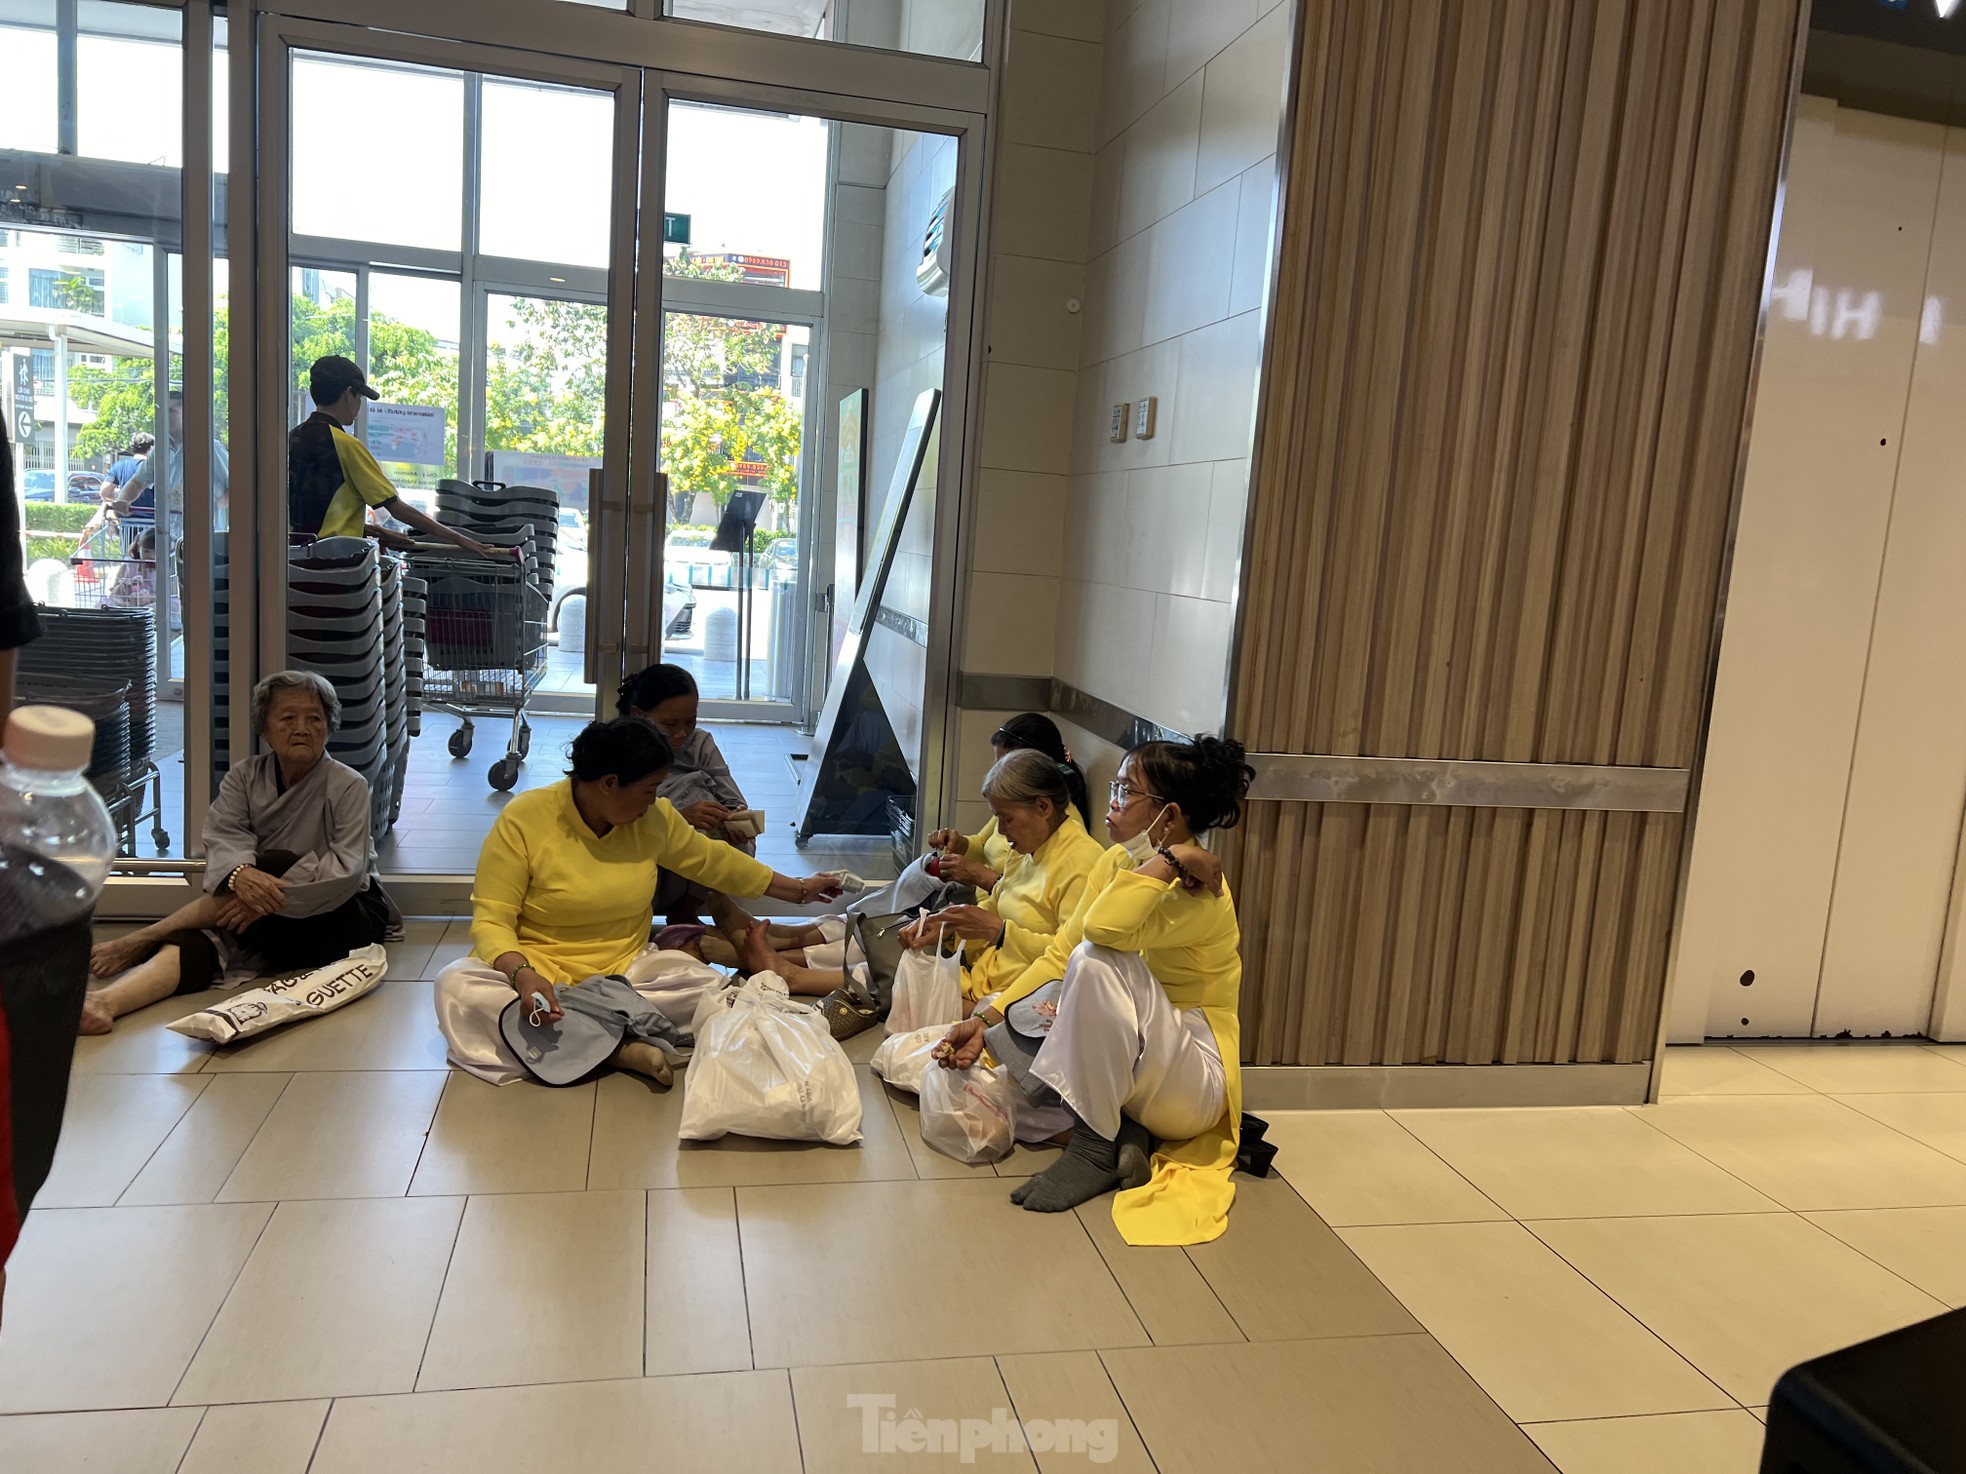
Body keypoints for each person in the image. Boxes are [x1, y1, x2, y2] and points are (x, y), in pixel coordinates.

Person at [935, 735, 1254, 1243]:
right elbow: (1058, 953)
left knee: (1095, 960)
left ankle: (1092, 1145)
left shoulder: (1202, 895)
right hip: (1145, 1066)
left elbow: (1100, 934)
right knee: (990, 1079)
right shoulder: (1117, 864)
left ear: (1167, 816)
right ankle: (1123, 1132)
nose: (1111, 802)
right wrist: (986, 1018)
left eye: (1126, 792)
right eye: (1115, 787)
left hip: (1194, 1079)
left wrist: (1173, 860)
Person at [433, 716, 844, 1086]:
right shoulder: (524, 819)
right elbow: (492, 919)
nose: (654, 802)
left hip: (626, 969)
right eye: (649, 790)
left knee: (710, 992)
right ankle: (618, 1049)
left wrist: (800, 889)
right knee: (459, 988)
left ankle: (580, 1042)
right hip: (538, 966)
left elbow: (715, 862)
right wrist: (522, 974)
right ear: (609, 783)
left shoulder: (653, 819)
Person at [79, 671, 401, 1033]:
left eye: (314, 718)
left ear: (329, 727)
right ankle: (106, 1003)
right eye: (288, 718)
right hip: (262, 918)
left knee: (271, 864)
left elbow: (347, 871)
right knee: (208, 938)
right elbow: (223, 834)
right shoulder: (243, 777)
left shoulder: (349, 785)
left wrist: (259, 892)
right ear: (265, 728)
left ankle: (145, 936)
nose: (302, 728)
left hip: (341, 916)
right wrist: (242, 876)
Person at [898, 747, 1101, 1004]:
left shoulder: (1082, 863)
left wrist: (999, 931)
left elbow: (1072, 957)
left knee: (902, 991)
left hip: (1022, 996)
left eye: (1006, 819)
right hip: (983, 973)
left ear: (1043, 806)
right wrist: (949, 926)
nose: (1002, 831)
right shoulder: (1029, 844)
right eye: (997, 819)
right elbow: (998, 900)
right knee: (895, 974)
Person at [289, 355, 496, 556]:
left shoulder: (291, 439)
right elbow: (397, 509)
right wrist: (460, 538)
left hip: (290, 562)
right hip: (336, 566)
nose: (359, 405)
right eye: (359, 396)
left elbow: (311, 516)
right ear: (348, 394)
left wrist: (375, 530)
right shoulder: (346, 445)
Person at [617, 663, 753, 924]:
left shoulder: (699, 743)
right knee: (688, 797)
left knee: (725, 833)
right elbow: (609, 821)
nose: (682, 733)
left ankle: (687, 911)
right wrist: (678, 817)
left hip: (691, 860)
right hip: (643, 847)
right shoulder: (616, 747)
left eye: (690, 722)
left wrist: (733, 818)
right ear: (638, 714)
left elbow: (735, 801)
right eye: (669, 724)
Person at [99, 389, 229, 533]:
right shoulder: (161, 450)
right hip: (171, 538)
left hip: (205, 535)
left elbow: (236, 489)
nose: (165, 416)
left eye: (172, 410)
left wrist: (212, 506)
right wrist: (123, 500)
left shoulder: (210, 448)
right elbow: (137, 482)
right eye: (163, 411)